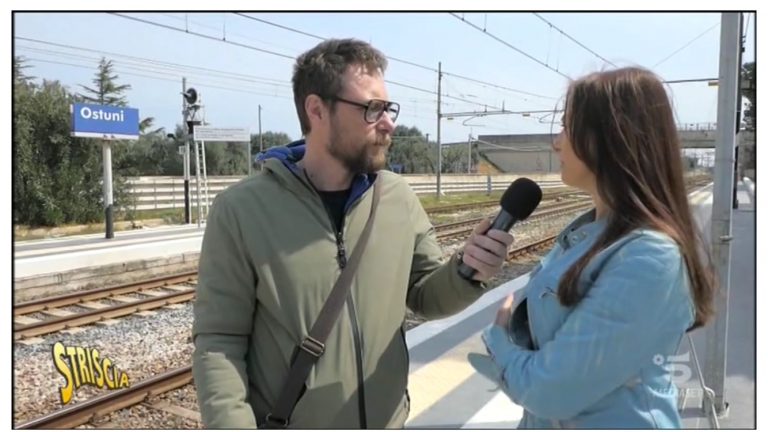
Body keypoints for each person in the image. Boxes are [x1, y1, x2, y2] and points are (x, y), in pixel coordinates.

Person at [192, 38, 515, 429]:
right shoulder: (241, 210)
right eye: (371, 108)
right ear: (316, 110)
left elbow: (426, 296)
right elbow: (219, 342)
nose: (389, 123)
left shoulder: (397, 197)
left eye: (388, 108)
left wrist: (467, 270)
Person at [481, 67, 716, 428]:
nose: (556, 142)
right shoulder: (589, 232)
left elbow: (549, 391)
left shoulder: (650, 257)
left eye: (567, 126)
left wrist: (499, 340)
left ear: (612, 137)